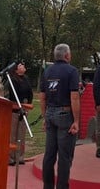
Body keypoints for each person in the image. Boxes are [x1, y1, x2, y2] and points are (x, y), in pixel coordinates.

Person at [39, 43, 80, 189]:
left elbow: (42, 97)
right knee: (64, 155)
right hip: (65, 113)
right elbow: (74, 96)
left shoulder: (47, 72)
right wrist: (76, 120)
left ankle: (48, 186)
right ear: (67, 55)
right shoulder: (72, 71)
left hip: (50, 112)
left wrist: (45, 117)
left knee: (49, 154)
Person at [4, 61, 33, 166]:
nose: (23, 66)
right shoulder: (12, 80)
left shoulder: (26, 79)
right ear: (16, 69)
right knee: (12, 134)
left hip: (24, 109)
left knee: (21, 134)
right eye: (20, 65)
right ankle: (10, 157)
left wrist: (28, 105)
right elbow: (10, 95)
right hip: (14, 110)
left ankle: (20, 156)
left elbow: (30, 93)